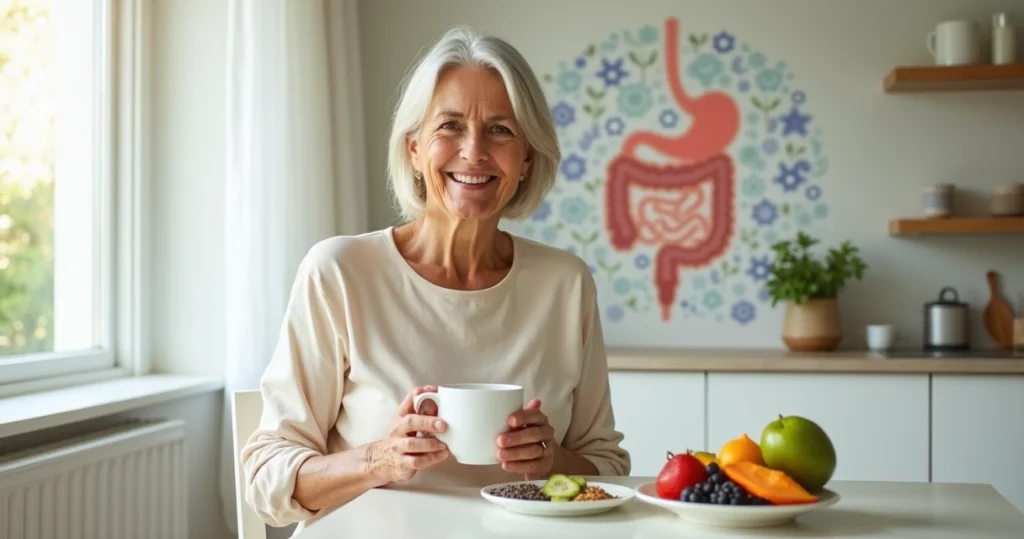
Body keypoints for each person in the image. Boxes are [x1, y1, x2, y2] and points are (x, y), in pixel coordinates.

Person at [240, 25, 630, 531]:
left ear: (527, 160)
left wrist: (551, 458)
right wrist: (379, 460)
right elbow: (265, 479)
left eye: (501, 129)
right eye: (449, 126)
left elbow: (610, 469)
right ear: (414, 149)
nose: (474, 151)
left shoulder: (565, 284)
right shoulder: (339, 272)